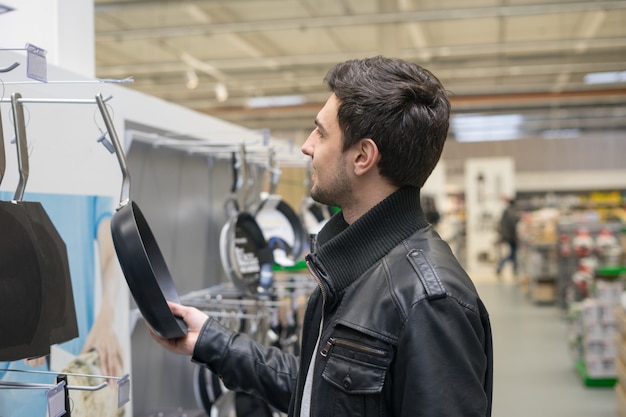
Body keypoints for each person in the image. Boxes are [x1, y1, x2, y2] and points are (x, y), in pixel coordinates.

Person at [151, 56, 493, 417]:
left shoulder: (430, 302)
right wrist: (211, 341)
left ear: (362, 156)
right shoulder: (354, 268)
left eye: (321, 132)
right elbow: (319, 392)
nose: (307, 145)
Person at [496, 198, 521, 278]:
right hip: (510, 236)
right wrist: (514, 237)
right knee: (512, 254)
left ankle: (514, 269)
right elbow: (512, 226)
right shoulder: (511, 212)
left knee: (513, 253)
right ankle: (501, 266)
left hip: (507, 235)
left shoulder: (506, 211)